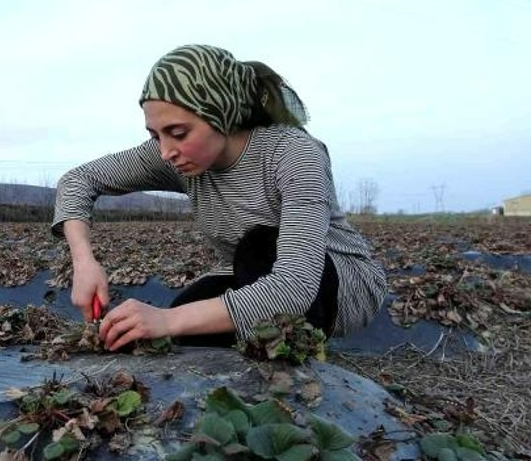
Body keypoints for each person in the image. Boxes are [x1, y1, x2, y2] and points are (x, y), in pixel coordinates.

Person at [51, 44, 386, 352]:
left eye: (179, 133)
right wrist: (83, 261)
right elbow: (79, 180)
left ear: (222, 115)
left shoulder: (292, 153)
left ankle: (299, 350)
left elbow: (294, 285)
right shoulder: (175, 158)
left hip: (338, 284)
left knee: (257, 248)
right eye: (156, 136)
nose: (166, 152)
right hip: (249, 274)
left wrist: (166, 320)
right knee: (181, 330)